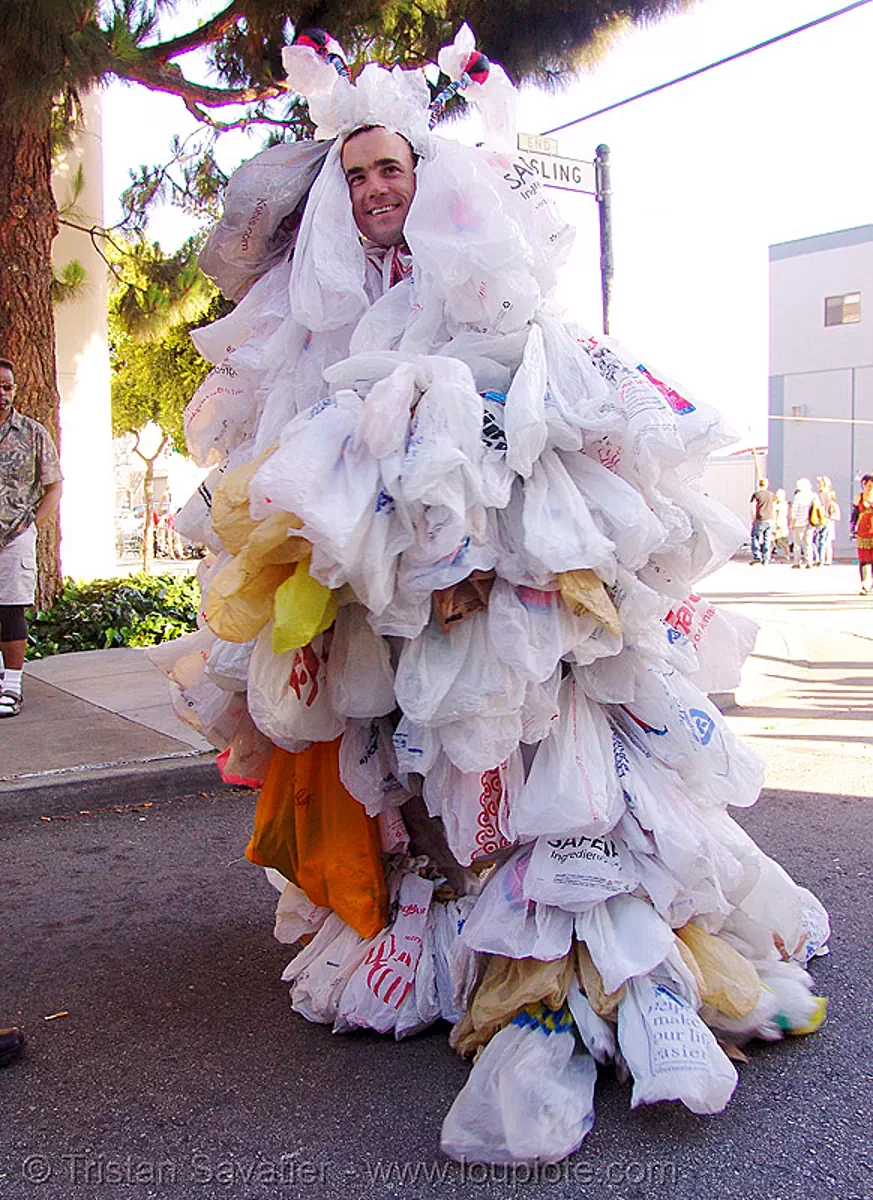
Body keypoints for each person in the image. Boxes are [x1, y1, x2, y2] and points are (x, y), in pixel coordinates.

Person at [154, 27, 830, 1165]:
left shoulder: (480, 269)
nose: (374, 190)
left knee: (526, 759)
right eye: (358, 175)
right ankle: (454, 944)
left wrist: (476, 533)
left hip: (506, 577)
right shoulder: (328, 305)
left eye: (390, 170)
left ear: (424, 178)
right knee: (421, 766)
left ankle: (575, 963)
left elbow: (531, 409)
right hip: (390, 587)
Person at [0, 358, 62, 717]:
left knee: (10, 610)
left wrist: (33, 524)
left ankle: (12, 687)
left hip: (15, 536)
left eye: (7, 387)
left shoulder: (34, 433)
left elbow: (54, 485)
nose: (2, 393)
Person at [850, 473, 873, 594]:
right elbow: (855, 514)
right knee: (864, 559)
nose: (868, 487)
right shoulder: (859, 497)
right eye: (865, 484)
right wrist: (852, 527)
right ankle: (865, 584)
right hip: (863, 532)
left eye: (870, 485)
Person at [789, 477, 818, 569]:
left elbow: (794, 511)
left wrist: (792, 523)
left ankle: (797, 562)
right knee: (808, 543)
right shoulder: (813, 495)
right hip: (810, 521)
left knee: (797, 543)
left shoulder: (798, 496)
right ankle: (809, 561)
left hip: (799, 523)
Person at [813, 475, 839, 566]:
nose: (818, 484)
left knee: (820, 540)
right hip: (829, 518)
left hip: (823, 518)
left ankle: (821, 558)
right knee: (827, 540)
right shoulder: (830, 493)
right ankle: (827, 559)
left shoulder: (820, 495)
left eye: (819, 483)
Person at [749, 476, 774, 564]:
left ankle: (757, 556)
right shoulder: (771, 495)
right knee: (767, 538)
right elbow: (774, 507)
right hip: (770, 518)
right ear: (767, 485)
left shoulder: (756, 494)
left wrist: (753, 518)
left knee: (755, 537)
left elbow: (752, 508)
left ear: (759, 484)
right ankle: (766, 558)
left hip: (760, 518)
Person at [772, 487, 790, 560]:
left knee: (783, 540)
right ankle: (772, 554)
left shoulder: (784, 504)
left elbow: (781, 514)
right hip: (775, 523)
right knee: (773, 540)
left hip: (781, 523)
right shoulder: (774, 503)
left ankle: (787, 554)